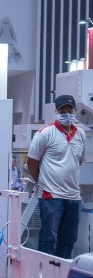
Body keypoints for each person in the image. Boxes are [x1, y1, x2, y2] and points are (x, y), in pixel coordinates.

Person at [27, 93, 87, 258]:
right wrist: (41, 182)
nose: (67, 114)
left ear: (75, 111)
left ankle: (63, 273)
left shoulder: (80, 135)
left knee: (68, 240)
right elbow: (32, 161)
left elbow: (78, 161)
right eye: (62, 111)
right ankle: (43, 273)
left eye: (70, 111)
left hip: (73, 197)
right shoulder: (45, 134)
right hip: (51, 196)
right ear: (56, 112)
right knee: (48, 239)